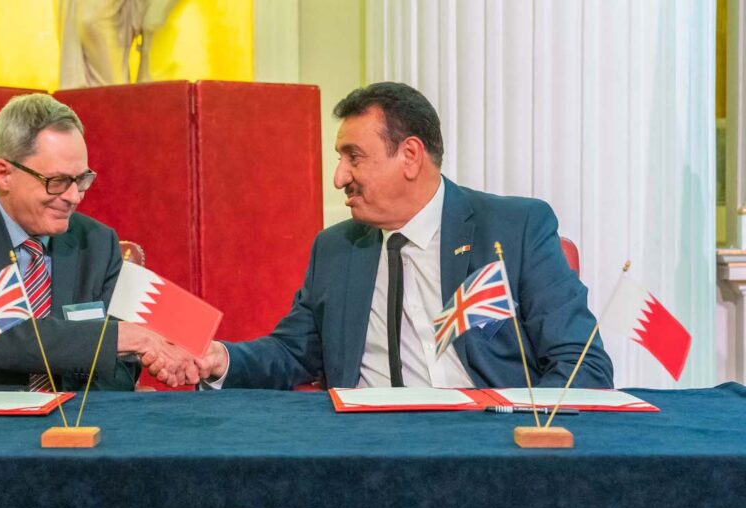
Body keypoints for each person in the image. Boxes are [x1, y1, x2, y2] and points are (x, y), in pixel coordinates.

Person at [182, 82, 613, 390]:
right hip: (367, 455)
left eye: (354, 157)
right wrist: (221, 358)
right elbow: (293, 352)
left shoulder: (515, 229)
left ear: (409, 156)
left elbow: (582, 364)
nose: (338, 177)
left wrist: (515, 439)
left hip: (486, 448)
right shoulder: (335, 249)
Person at [0, 93, 198, 391]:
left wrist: (198, 353)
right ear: (4, 174)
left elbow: (128, 363)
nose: (74, 197)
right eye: (56, 182)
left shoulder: (97, 241)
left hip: (74, 415)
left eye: (81, 180)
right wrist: (122, 338)